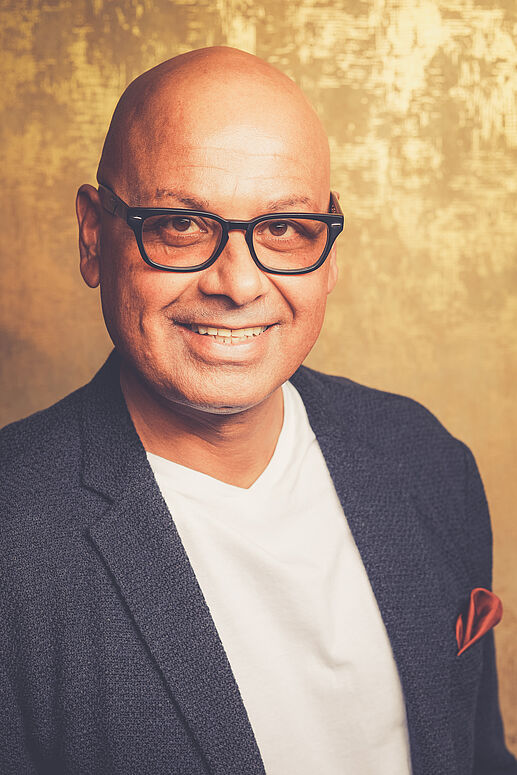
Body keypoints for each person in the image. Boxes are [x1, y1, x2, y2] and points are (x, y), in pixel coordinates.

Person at [0, 46, 515, 775]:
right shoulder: (14, 533)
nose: (238, 284)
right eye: (181, 223)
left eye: (283, 228)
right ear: (93, 235)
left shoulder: (426, 461)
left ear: (327, 245)